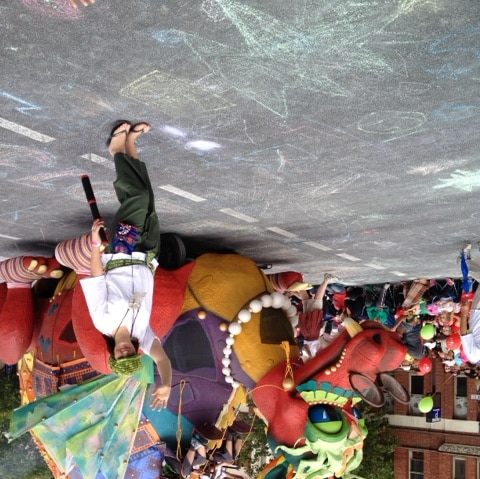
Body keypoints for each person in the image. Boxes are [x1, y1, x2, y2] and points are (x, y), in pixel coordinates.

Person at [80, 121, 171, 410]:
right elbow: (162, 359)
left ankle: (117, 150)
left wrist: (95, 245)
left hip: (122, 250)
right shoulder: (142, 334)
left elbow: (96, 278)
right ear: (134, 352)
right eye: (130, 355)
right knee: (149, 200)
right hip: (148, 253)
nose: (125, 352)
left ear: (114, 354)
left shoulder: (103, 322)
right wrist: (165, 382)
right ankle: (131, 145)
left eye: (120, 356)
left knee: (137, 197)